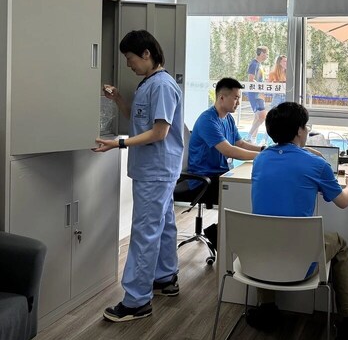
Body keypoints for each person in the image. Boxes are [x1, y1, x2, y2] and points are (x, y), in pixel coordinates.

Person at [249, 102, 348, 340]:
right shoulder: (317, 165)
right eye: (306, 126)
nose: (307, 130)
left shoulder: (260, 159)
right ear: (299, 131)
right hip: (301, 263)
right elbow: (343, 202)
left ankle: (266, 309)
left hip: (260, 259)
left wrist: (306, 151)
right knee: (339, 243)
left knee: (268, 231)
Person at [94, 30, 184, 322]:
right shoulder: (149, 84)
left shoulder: (162, 85)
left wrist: (118, 144)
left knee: (145, 231)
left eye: (130, 58)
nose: (128, 64)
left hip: (156, 169)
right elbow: (137, 117)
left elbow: (159, 132)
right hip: (156, 168)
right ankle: (165, 277)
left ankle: (136, 301)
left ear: (147, 54)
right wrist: (118, 98)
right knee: (164, 223)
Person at [187, 77, 263, 210]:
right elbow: (229, 150)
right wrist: (262, 156)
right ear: (222, 98)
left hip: (221, 174)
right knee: (244, 192)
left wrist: (264, 150)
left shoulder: (228, 118)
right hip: (204, 179)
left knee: (251, 186)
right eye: (236, 98)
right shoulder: (207, 121)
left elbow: (240, 143)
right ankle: (225, 224)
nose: (239, 102)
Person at [246, 46, 269, 143]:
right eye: (266, 54)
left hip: (259, 93)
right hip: (255, 94)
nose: (267, 56)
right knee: (262, 116)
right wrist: (260, 87)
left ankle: (252, 139)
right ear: (262, 53)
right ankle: (249, 136)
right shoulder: (254, 64)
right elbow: (251, 80)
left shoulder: (259, 65)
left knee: (258, 117)